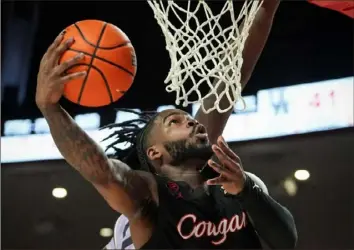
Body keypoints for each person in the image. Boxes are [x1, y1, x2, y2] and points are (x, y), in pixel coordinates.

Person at [36, 0, 297, 248]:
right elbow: (102, 171)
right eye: (174, 121)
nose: (193, 123)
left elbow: (234, 74)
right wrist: (50, 109)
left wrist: (265, 6)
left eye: (191, 119)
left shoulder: (238, 185)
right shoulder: (148, 196)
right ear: (155, 153)